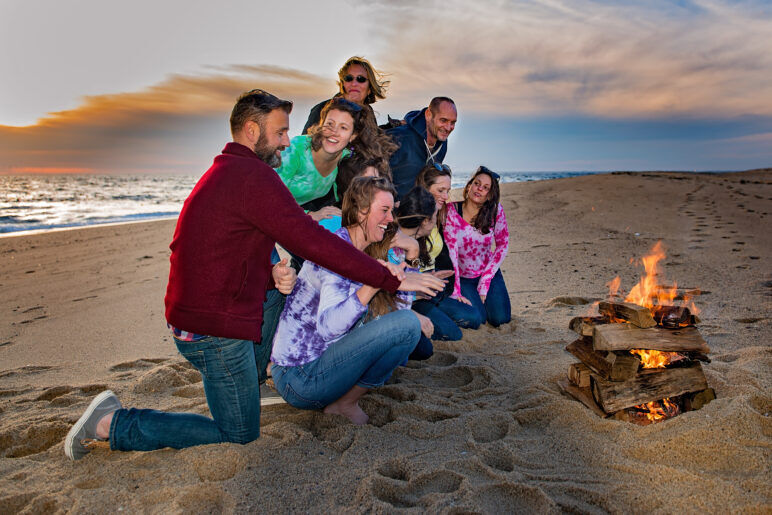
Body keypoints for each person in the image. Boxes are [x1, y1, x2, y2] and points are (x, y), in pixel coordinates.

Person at [64, 89, 444, 460]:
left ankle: (259, 379)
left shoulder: (231, 172)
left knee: (285, 292)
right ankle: (110, 423)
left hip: (221, 311)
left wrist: (271, 272)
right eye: (280, 133)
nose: (286, 142)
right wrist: (389, 278)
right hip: (212, 331)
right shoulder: (252, 178)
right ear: (251, 131)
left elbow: (224, 244)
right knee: (238, 434)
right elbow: (314, 242)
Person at [271, 177, 438, 425]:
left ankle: (345, 401)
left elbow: (398, 314)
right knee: (407, 325)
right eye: (384, 210)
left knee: (406, 329)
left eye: (391, 211)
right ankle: (345, 404)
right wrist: (374, 283)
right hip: (300, 377)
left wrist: (411, 258)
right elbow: (329, 328)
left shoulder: (364, 251)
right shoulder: (335, 252)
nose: (391, 219)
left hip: (327, 365)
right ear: (361, 211)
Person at [364, 185, 440, 360]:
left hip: (395, 307)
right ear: (425, 221)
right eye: (435, 217)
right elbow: (384, 296)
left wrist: (422, 284)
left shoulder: (408, 240)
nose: (436, 222)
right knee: (422, 347)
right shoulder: (391, 243)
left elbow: (404, 290)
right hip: (377, 314)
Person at [443, 166, 511, 328]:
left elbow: (503, 244)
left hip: (488, 272)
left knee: (500, 319)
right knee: (478, 320)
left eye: (486, 187)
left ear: (490, 195)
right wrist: (456, 290)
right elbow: (451, 253)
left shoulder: (496, 211)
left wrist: (485, 282)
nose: (479, 189)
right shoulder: (451, 211)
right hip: (462, 276)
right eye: (477, 183)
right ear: (469, 186)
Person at [410, 163, 467, 340]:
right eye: (441, 190)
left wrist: (453, 289)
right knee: (453, 334)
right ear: (425, 188)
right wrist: (422, 280)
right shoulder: (412, 216)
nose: (446, 196)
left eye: (448, 190)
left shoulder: (439, 215)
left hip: (434, 289)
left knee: (473, 318)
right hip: (413, 294)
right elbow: (407, 264)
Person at [386, 97, 457, 199]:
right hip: (392, 210)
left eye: (453, 122)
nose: (448, 127)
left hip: (420, 210)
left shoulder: (442, 144)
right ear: (428, 115)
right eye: (443, 120)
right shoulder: (398, 137)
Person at [302, 56, 388, 135]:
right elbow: (303, 146)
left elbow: (372, 140)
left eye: (360, 79)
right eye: (349, 78)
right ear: (343, 84)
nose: (354, 84)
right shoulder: (321, 109)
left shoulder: (368, 113)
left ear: (369, 89)